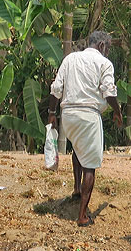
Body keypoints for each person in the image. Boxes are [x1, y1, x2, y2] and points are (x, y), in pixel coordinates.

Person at [48, 30, 123, 227]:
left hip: (69, 116)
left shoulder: (70, 58)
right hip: (89, 116)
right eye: (107, 48)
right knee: (90, 166)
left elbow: (56, 88)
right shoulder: (104, 63)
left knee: (77, 150)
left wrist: (51, 113)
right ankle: (82, 216)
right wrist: (117, 111)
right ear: (101, 46)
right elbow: (109, 92)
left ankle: (76, 189)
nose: (107, 52)